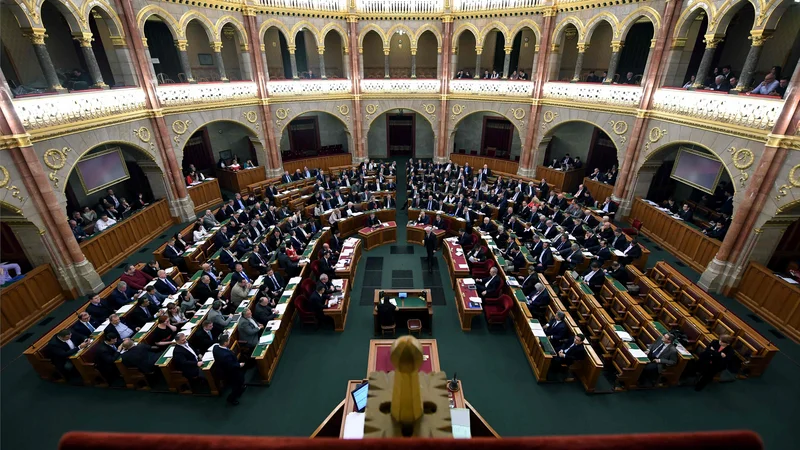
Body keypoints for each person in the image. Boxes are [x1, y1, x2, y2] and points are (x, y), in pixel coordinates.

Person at [213, 334, 246, 405]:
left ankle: (240, 388)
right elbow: (231, 365)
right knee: (236, 385)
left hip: (222, 368)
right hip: (231, 372)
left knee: (240, 380)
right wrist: (239, 365)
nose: (229, 341)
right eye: (228, 340)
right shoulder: (225, 355)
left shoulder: (215, 347)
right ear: (225, 343)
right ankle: (231, 399)